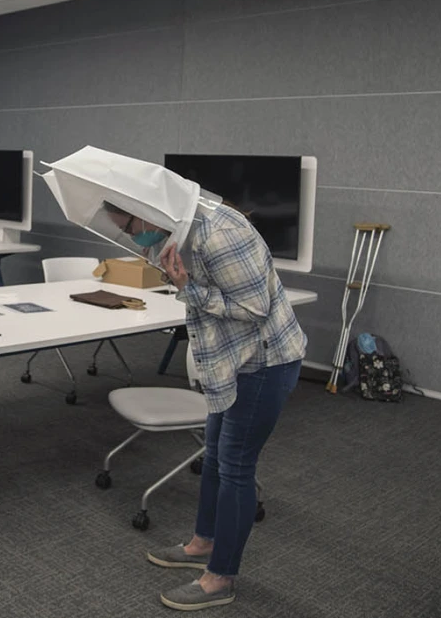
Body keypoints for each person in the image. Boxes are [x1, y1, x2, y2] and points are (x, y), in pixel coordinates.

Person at [103, 200, 306, 611]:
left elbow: (254, 309)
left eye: (128, 227)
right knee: (213, 455)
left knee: (235, 466)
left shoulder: (220, 236)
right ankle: (202, 543)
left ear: (145, 211)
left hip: (264, 363)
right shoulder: (180, 230)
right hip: (231, 363)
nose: (130, 237)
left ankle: (220, 578)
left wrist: (187, 288)